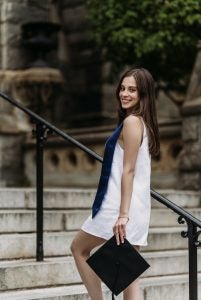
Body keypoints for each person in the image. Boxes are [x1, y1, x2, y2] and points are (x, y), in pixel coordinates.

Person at [71, 68, 160, 300]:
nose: (124, 93)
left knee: (79, 249)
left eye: (132, 89)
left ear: (143, 94)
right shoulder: (142, 123)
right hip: (135, 208)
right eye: (122, 88)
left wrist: (122, 215)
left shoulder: (132, 122)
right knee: (130, 282)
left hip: (119, 208)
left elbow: (128, 170)